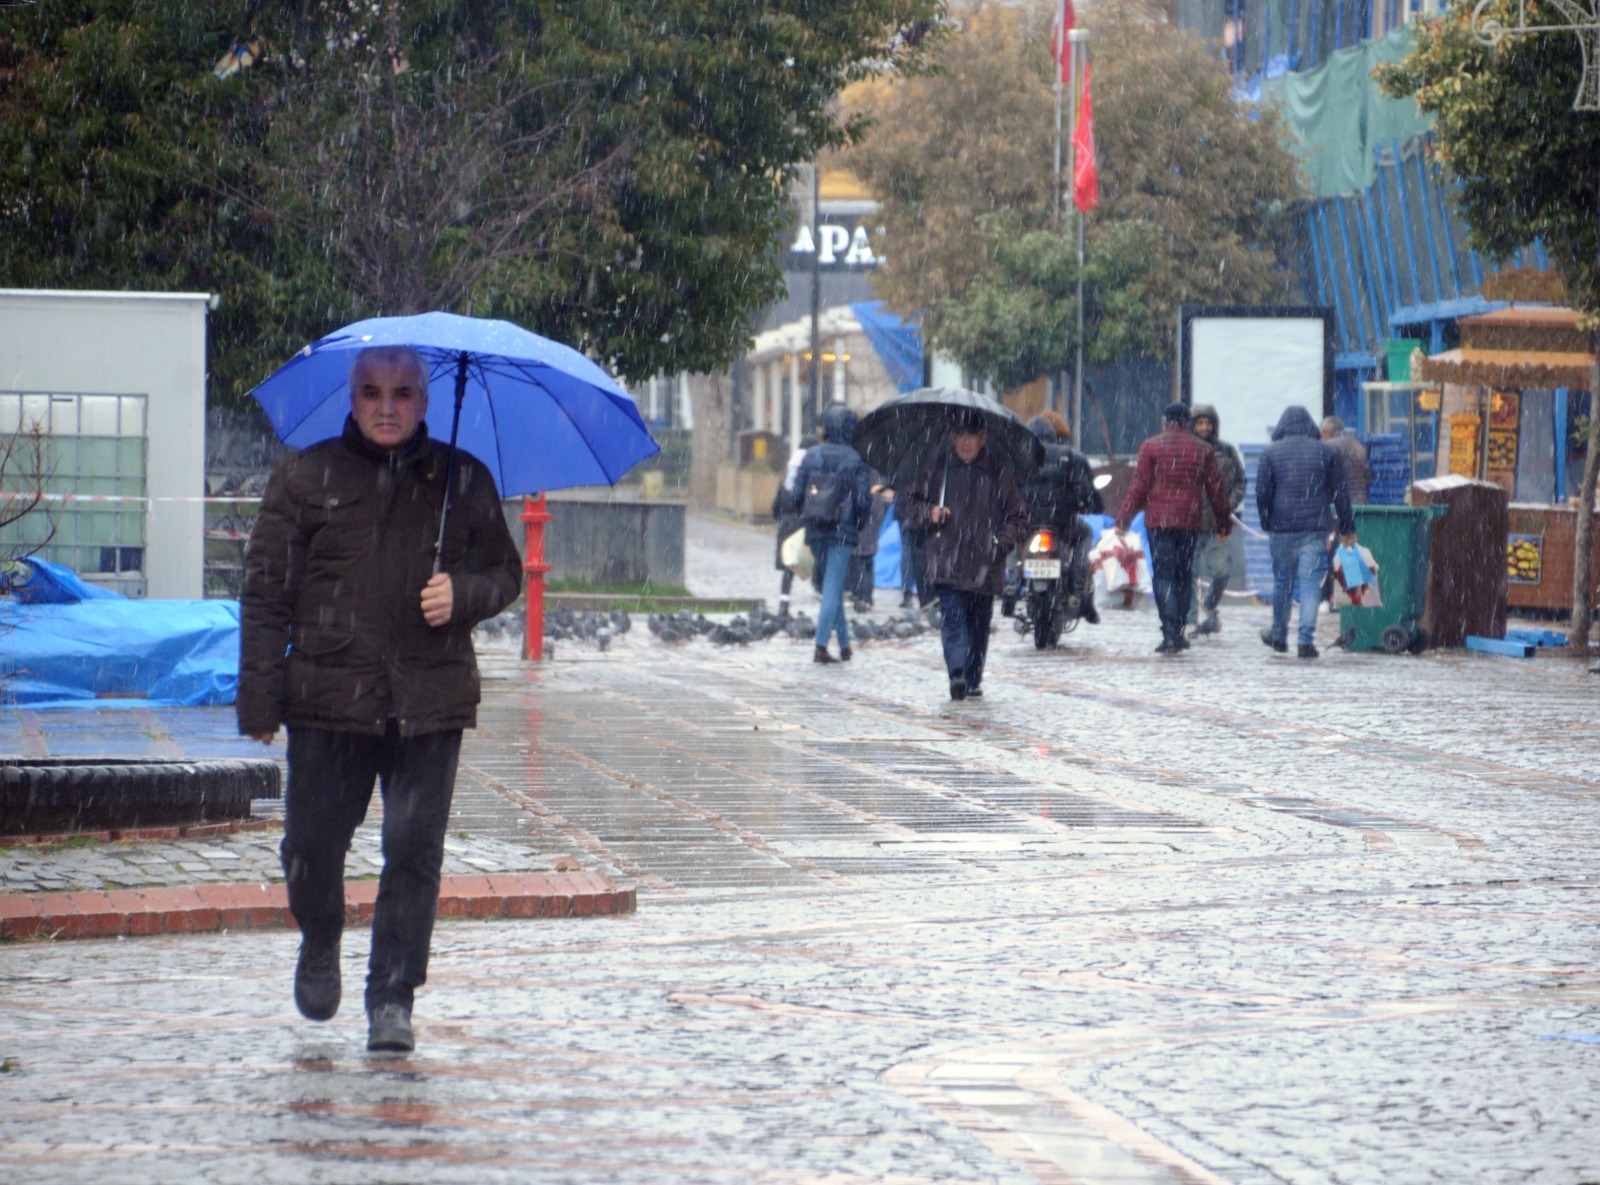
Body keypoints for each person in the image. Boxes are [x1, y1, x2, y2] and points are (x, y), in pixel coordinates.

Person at [238, 345, 522, 1054]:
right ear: (353, 397)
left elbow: (504, 572)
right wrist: (260, 699)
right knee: (310, 849)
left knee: (412, 852)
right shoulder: (304, 477)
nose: (387, 406)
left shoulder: (463, 479)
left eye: (401, 392)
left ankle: (392, 995)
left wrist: (465, 594)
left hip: (430, 698)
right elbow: (266, 592)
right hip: (326, 697)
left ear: (425, 401)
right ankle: (321, 939)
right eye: (372, 392)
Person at [903, 411, 1028, 700]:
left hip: (986, 561)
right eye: (961, 436)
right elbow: (914, 502)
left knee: (979, 623)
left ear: (983, 439)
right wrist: (930, 512)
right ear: (952, 438)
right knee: (953, 618)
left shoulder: (998, 472)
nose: (966, 443)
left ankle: (972, 678)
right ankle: (957, 673)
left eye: (972, 437)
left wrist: (1001, 544)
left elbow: (1018, 516)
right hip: (947, 557)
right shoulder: (939, 467)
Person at [1116, 402, 1231, 654]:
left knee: (1164, 576)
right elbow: (1217, 490)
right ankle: (1179, 631)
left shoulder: (1151, 446)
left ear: (1165, 421)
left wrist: (1124, 520)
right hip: (1189, 522)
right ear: (1187, 422)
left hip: (1159, 521)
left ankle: (1170, 632)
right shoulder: (1203, 449)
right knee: (1183, 575)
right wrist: (1224, 523)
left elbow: (1139, 486)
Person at [1257, 405, 1357, 659]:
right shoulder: (1325, 452)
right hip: (1315, 527)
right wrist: (1347, 526)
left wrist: (1267, 521)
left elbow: (1262, 494)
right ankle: (1305, 640)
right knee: (1311, 582)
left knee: (1283, 582)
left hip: (1281, 527)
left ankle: (1279, 636)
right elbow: (1340, 493)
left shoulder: (1270, 453)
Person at [792, 405, 874, 664]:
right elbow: (863, 501)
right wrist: (858, 524)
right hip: (843, 530)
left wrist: (804, 514)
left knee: (832, 586)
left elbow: (795, 495)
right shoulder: (855, 459)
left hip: (816, 527)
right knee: (832, 587)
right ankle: (820, 645)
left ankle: (846, 645)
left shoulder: (811, 455)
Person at [1021, 410, 1103, 625]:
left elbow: (1007, 490)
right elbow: (1085, 490)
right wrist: (1091, 505)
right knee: (1086, 533)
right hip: (1062, 523)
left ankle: (1012, 585)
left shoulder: (1017, 456)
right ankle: (1077, 589)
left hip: (1028, 524)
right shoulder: (1072, 456)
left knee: (1011, 540)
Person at [1188, 404, 1247, 637]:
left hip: (1217, 524)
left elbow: (1240, 482)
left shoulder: (1226, 452)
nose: (1204, 428)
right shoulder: (1187, 450)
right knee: (1189, 573)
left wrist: (1228, 504)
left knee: (1222, 571)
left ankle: (1210, 606)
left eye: (1207, 423)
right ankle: (1191, 620)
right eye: (1199, 423)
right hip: (1190, 523)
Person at [772, 431, 818, 621]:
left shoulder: (787, 476)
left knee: (788, 565)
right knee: (814, 561)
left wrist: (781, 518)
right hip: (804, 523)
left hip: (786, 523)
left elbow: (776, 505)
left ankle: (784, 602)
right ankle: (824, 597)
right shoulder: (811, 473)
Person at [1321, 415, 1370, 505]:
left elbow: (1324, 475)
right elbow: (1367, 476)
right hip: (1360, 501)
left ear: (1327, 432)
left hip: (1340, 504)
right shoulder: (1357, 444)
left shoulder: (1329, 445)